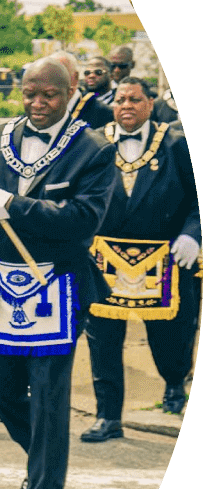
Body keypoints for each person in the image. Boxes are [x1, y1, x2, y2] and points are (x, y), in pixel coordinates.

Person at [0, 57, 116, 489]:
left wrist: (13, 205)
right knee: (0, 392)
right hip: (0, 283)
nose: (37, 103)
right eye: (29, 93)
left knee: (51, 400)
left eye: (48, 95)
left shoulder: (94, 149)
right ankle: (43, 460)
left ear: (72, 91)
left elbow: (83, 218)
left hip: (58, 285)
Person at [82, 77, 200, 436]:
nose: (126, 106)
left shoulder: (176, 143)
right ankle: (108, 416)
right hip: (104, 257)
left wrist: (191, 235)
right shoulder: (94, 141)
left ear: (150, 103)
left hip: (165, 256)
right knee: (103, 338)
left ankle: (173, 381)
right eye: (120, 100)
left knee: (170, 336)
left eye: (135, 99)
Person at [48, 51, 114, 130]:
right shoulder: (39, 108)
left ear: (76, 77)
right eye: (49, 74)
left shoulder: (104, 113)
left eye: (60, 73)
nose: (52, 79)